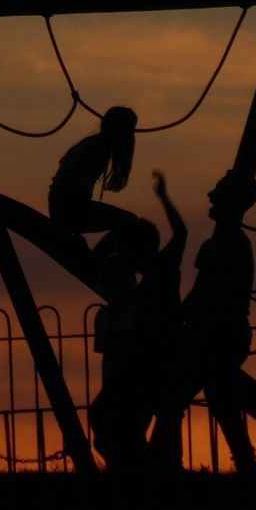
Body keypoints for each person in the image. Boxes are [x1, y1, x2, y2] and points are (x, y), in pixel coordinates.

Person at [150, 169, 256, 478]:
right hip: (217, 336)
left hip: (213, 337)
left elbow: (207, 293)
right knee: (216, 405)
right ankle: (245, 469)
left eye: (218, 192)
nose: (210, 197)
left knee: (177, 400)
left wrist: (184, 319)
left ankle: (164, 466)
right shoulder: (230, 243)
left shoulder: (227, 245)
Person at [90, 172, 187, 471]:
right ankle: (136, 466)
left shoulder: (163, 270)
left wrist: (164, 197)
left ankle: (134, 469)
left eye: (127, 250)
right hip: (145, 363)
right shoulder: (152, 278)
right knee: (113, 420)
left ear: (140, 250)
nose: (123, 256)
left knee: (110, 418)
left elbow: (181, 234)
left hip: (152, 363)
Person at [49, 107, 139, 264]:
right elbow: (68, 182)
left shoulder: (96, 146)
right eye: (127, 129)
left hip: (68, 207)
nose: (129, 135)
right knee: (130, 223)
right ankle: (97, 260)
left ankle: (98, 258)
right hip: (70, 208)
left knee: (129, 222)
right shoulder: (96, 149)